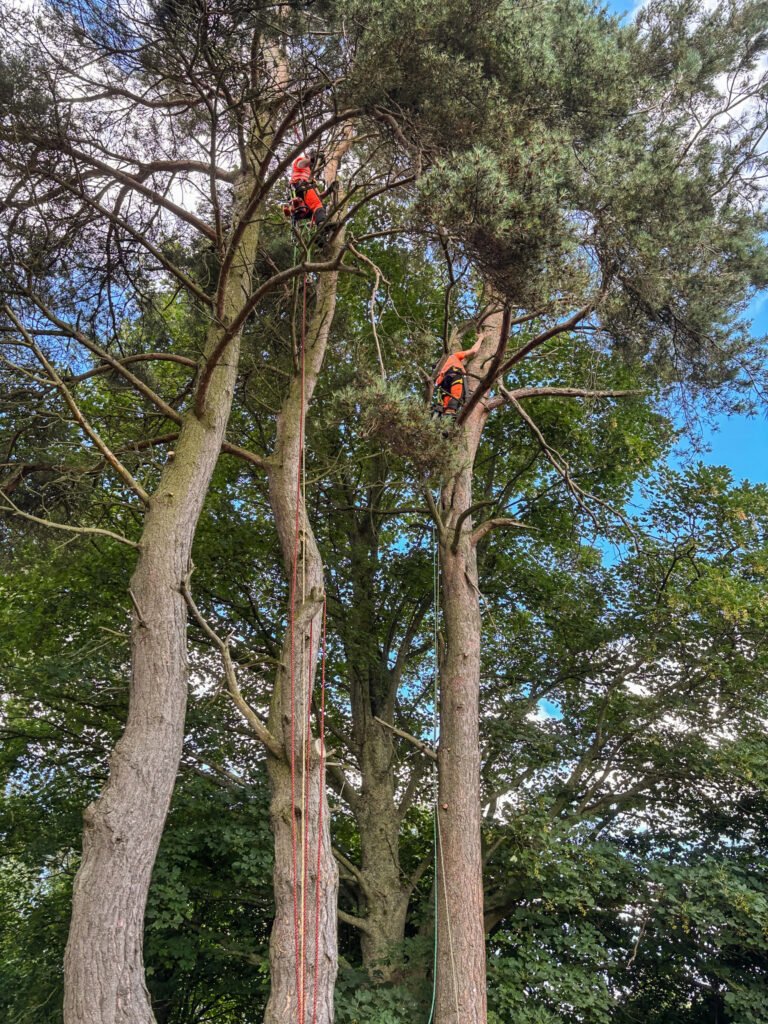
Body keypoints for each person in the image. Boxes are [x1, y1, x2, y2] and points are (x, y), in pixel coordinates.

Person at [433, 337, 482, 417]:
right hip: (454, 376)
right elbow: (474, 350)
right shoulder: (453, 356)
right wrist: (481, 338)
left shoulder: (438, 370)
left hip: (442, 384)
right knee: (456, 395)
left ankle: (445, 415)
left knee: (445, 403)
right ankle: (450, 411)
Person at [285, 150, 329, 228]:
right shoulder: (301, 161)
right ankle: (322, 225)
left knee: (321, 207)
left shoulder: (311, 177)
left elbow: (319, 196)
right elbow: (301, 164)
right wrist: (311, 158)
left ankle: (320, 236)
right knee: (317, 205)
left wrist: (330, 190)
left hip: (305, 198)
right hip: (299, 186)